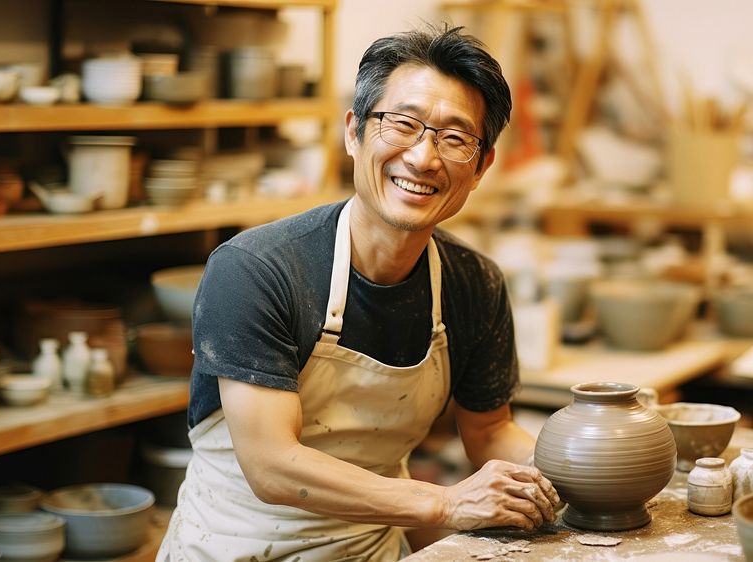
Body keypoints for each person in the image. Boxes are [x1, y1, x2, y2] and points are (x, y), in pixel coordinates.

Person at [157, 23, 561, 562]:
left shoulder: (472, 283)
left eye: (455, 137)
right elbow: (271, 465)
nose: (422, 158)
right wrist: (444, 504)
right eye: (402, 125)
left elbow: (488, 432)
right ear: (354, 132)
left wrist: (574, 470)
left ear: (482, 165)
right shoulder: (257, 270)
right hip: (234, 547)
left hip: (371, 548)